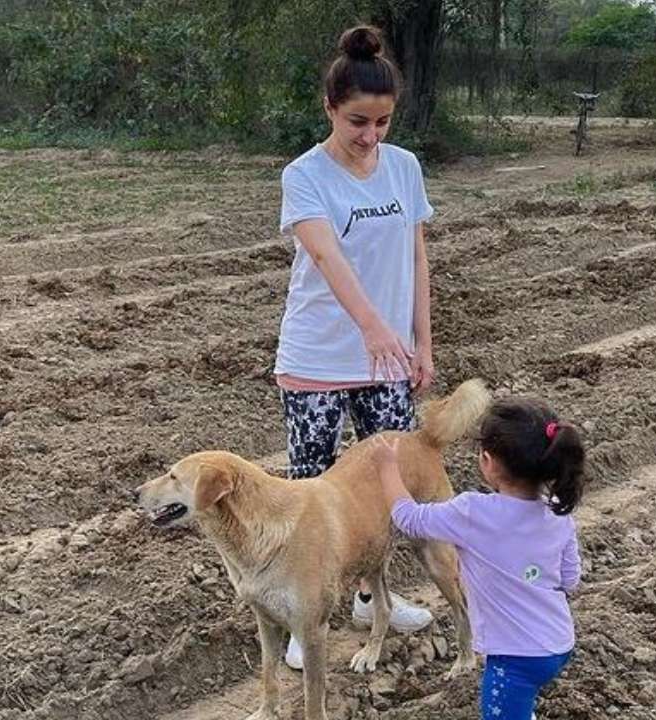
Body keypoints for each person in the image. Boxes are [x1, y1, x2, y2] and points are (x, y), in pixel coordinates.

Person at [274, 24, 436, 670]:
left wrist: (420, 339)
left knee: (386, 487)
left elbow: (416, 254)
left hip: (389, 359)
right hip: (318, 356)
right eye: (356, 123)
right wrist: (372, 326)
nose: (370, 137)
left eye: (382, 122)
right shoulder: (305, 175)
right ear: (330, 109)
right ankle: (303, 615)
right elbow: (325, 253)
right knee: (312, 493)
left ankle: (374, 598)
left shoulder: (405, 167)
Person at [372, 397, 587, 720]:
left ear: (487, 461)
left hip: (514, 659)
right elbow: (570, 579)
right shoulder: (557, 508)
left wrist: (388, 468)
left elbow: (409, 518)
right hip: (557, 644)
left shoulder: (473, 512)